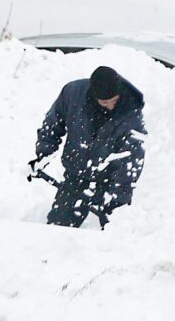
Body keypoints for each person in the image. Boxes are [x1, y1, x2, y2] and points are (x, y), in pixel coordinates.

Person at [34, 64, 146, 228]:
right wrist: (44, 155)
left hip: (108, 177)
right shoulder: (73, 94)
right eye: (105, 102)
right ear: (94, 96)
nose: (111, 106)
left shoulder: (130, 112)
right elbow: (52, 124)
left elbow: (132, 158)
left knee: (108, 236)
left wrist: (118, 198)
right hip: (76, 171)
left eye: (114, 101)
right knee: (59, 226)